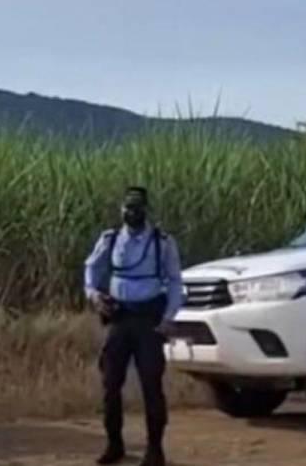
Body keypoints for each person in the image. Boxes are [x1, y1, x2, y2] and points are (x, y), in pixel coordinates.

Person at [85, 187, 184, 466]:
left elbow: (175, 281)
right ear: (121, 210)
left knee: (151, 384)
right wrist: (95, 295)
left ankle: (155, 449)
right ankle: (114, 444)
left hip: (149, 322)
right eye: (128, 208)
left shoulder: (162, 242)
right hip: (119, 319)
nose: (132, 213)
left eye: (137, 208)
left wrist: (169, 318)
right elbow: (91, 269)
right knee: (110, 383)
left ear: (146, 210)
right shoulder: (111, 239)